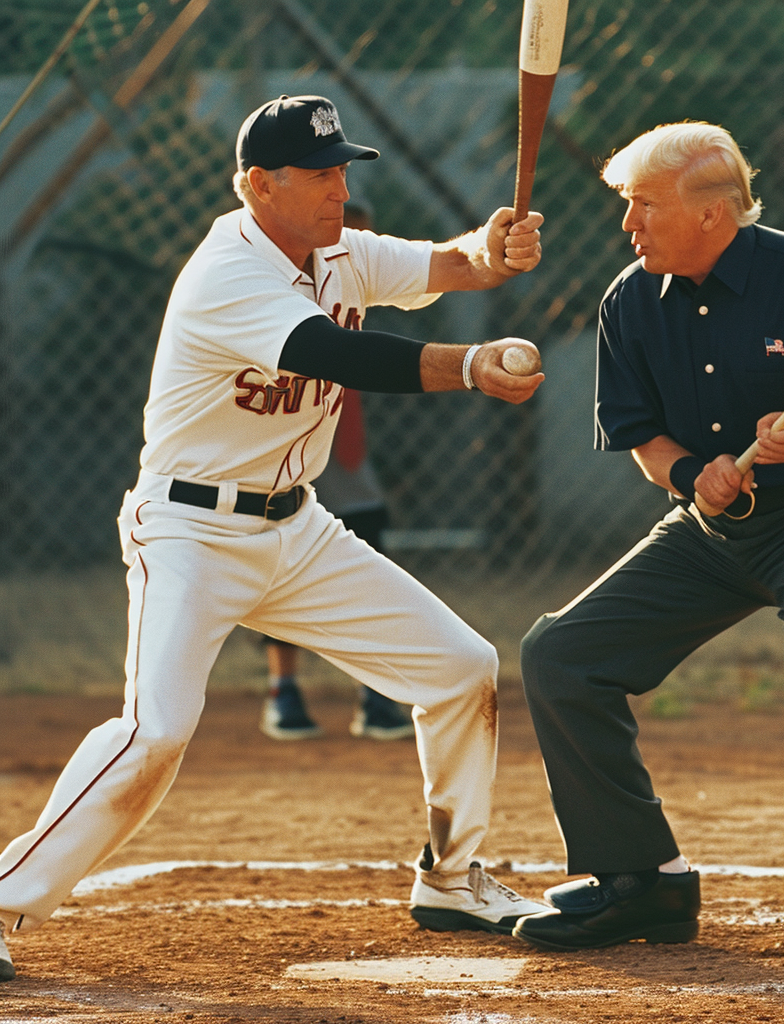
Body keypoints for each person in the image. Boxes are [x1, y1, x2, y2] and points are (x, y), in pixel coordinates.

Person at [0, 94, 551, 983]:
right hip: (189, 531)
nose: (341, 189)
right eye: (323, 174)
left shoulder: (338, 249)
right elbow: (336, 356)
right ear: (260, 185)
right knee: (157, 731)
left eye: (343, 171)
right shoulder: (228, 271)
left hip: (298, 529)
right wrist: (470, 367)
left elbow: (445, 265)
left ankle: (452, 879)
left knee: (460, 668)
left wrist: (493, 251)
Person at [511, 121, 784, 982]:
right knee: (561, 654)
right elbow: (644, 438)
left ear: (712, 213)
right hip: (713, 527)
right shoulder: (631, 299)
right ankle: (641, 878)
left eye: (642, 205)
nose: (627, 224)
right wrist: (692, 477)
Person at [259, 199, 414, 743]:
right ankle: (284, 690)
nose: (354, 249)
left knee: (368, 532)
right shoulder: (270, 278)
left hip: (338, 433)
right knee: (278, 562)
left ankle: (375, 694)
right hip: (281, 439)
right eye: (349, 236)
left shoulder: (350, 279)